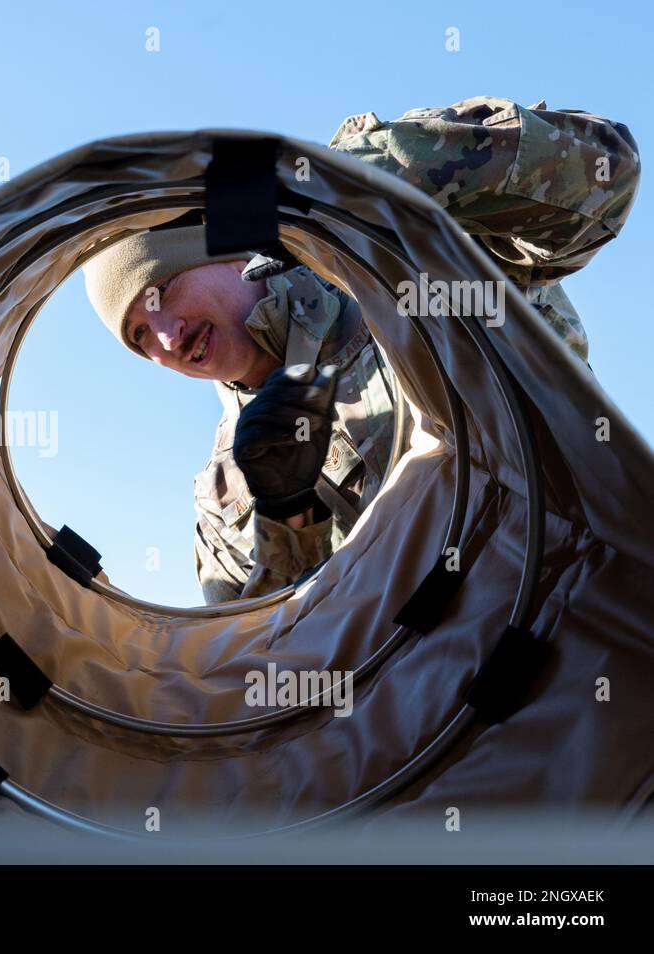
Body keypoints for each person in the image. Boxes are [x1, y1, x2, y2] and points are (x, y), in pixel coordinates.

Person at [83, 97, 640, 603]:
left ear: (226, 253)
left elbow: (604, 172)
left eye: (163, 290)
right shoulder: (222, 495)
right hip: (441, 710)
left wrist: (349, 182)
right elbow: (258, 666)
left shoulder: (411, 273)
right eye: (137, 336)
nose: (166, 336)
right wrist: (288, 521)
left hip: (589, 619)